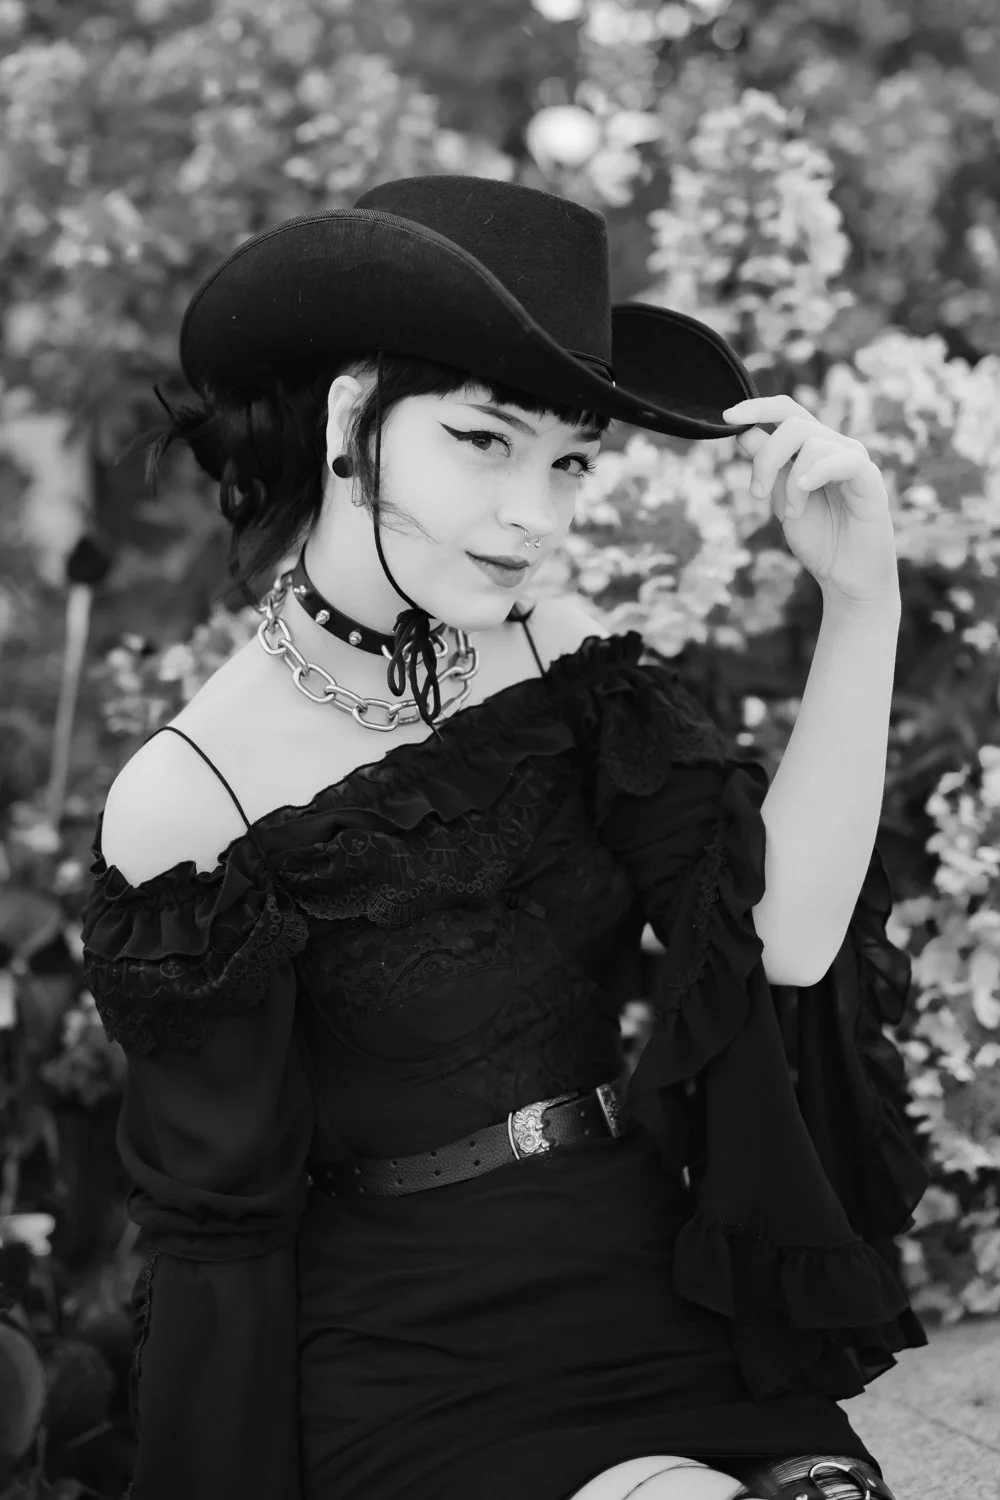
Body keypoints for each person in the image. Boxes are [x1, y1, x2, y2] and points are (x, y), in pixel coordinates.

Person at [79, 175, 929, 1500]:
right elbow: (219, 1227)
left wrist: (860, 599)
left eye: (571, 460)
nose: (538, 513)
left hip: (651, 1277)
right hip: (415, 1350)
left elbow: (789, 940)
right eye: (486, 440)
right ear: (355, 418)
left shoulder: (565, 665)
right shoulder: (189, 792)